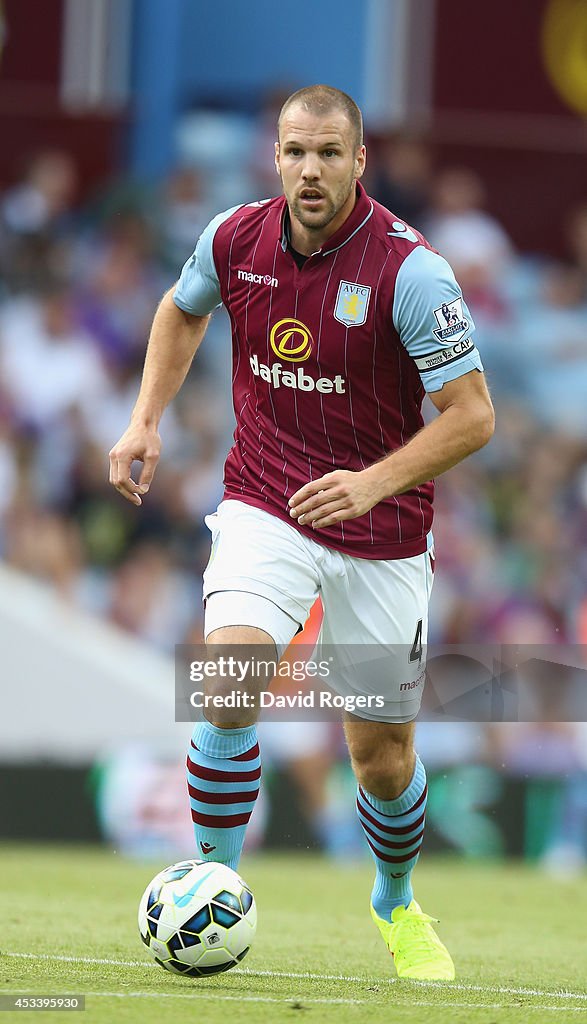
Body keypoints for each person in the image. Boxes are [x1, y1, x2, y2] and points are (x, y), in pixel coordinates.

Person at [109, 84, 494, 981]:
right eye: (294, 152)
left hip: (383, 525)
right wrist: (145, 420)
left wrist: (372, 482)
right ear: (273, 157)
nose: (309, 170)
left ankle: (395, 901)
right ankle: (212, 885)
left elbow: (472, 417)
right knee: (230, 679)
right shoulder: (234, 237)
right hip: (265, 502)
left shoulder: (411, 270)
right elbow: (179, 307)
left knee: (380, 757)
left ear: (360, 160)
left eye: (328, 153)